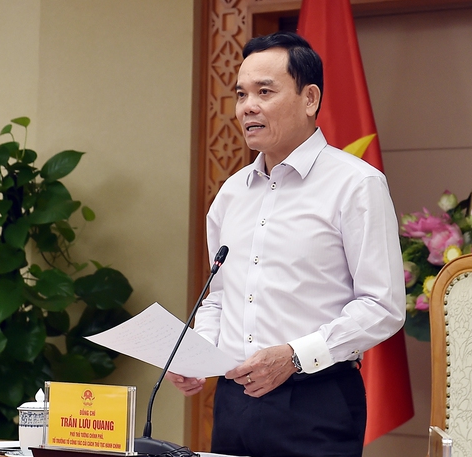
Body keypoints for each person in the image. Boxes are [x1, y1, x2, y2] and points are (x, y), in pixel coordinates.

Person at [165, 32, 405, 457]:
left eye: (264, 92)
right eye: (241, 94)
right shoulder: (231, 193)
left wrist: (295, 356)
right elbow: (219, 297)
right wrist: (199, 355)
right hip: (234, 402)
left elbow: (382, 306)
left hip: (316, 401)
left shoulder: (356, 185)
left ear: (310, 98)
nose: (247, 107)